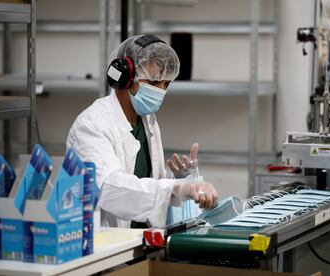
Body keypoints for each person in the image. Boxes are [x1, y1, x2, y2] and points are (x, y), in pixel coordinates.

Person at [66, 34, 218, 228]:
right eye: (154, 82)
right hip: (105, 246)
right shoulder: (91, 125)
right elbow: (111, 188)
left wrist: (180, 180)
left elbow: (152, 186)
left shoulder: (148, 120)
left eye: (165, 84)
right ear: (125, 77)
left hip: (142, 241)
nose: (160, 91)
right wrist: (176, 188)